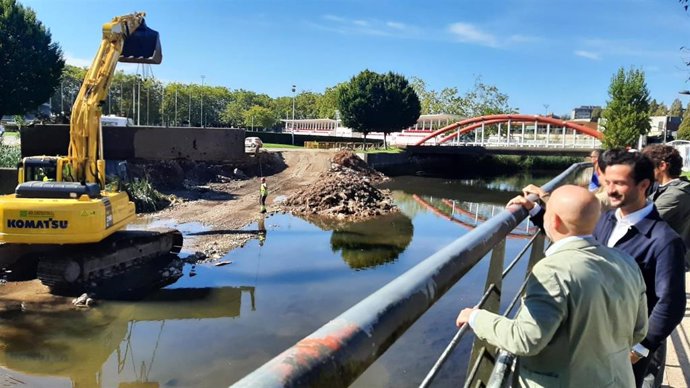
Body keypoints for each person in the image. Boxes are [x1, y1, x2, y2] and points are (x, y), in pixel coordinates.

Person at [515, 149, 686, 388]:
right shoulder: (605, 219)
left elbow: (670, 302)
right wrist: (535, 211)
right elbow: (572, 241)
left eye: (619, 183)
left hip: (624, 347)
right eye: (607, 182)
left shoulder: (663, 240)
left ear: (644, 185)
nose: (610, 190)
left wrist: (641, 348)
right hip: (588, 338)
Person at [456, 185, 648, 387]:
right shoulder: (625, 261)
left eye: (547, 212)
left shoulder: (553, 270)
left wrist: (476, 317)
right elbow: (639, 330)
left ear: (554, 220)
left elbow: (525, 339)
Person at [642, 144, 690, 269]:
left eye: (647, 167)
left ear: (663, 166)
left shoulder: (676, 194)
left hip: (671, 262)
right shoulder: (666, 189)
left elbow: (642, 221)